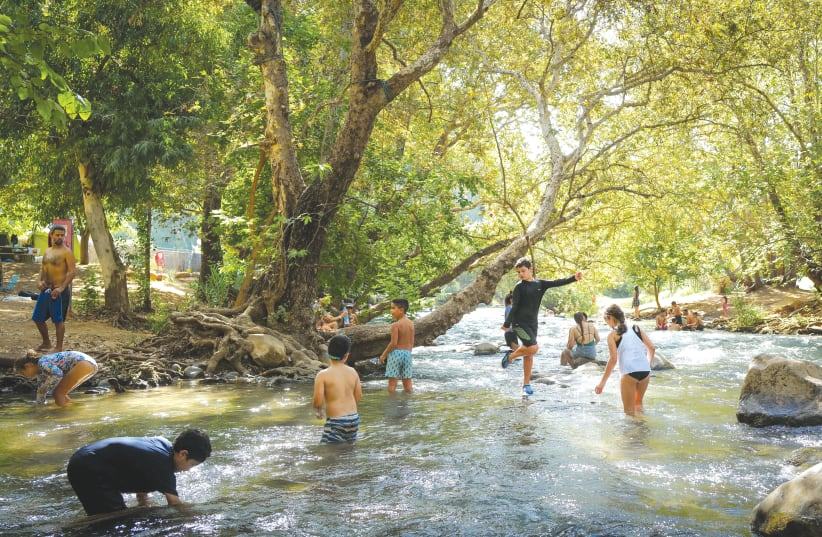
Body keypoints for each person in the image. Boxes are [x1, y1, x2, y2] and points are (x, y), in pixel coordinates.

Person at [67, 429, 212, 516]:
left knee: (115, 513)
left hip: (86, 458)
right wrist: (197, 515)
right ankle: (64, 530)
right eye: (191, 464)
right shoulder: (163, 466)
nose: (188, 470)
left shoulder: (162, 445)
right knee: (113, 518)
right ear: (183, 453)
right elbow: (175, 504)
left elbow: (138, 466)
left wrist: (143, 501)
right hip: (87, 467)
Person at [500, 258, 582, 396]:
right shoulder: (518, 287)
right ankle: (510, 357)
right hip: (519, 324)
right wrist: (507, 324)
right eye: (518, 272)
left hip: (533, 324)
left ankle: (526, 385)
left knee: (529, 353)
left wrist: (573, 278)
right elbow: (514, 307)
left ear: (530, 269)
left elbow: (557, 282)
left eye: (523, 271)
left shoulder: (540, 284)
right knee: (533, 348)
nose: (521, 274)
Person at [595, 304, 656, 416]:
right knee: (638, 405)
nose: (607, 324)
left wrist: (602, 383)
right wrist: (647, 364)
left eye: (606, 321)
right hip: (645, 371)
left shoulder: (612, 335)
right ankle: (644, 431)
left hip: (629, 372)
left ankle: (633, 433)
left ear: (611, 318)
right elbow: (652, 348)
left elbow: (613, 359)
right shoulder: (636, 328)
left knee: (629, 412)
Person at [32, 225, 76, 352]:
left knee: (58, 320)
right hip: (46, 290)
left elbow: (72, 272)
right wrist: (39, 281)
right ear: (51, 235)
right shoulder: (47, 251)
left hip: (59, 291)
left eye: (62, 235)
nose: (60, 237)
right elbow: (43, 268)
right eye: (57, 235)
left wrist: (62, 288)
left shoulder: (67, 252)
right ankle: (46, 343)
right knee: (37, 318)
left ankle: (59, 347)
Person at [313, 334, 362, 444]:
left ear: (328, 353)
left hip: (336, 421)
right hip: (354, 419)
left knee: (328, 450)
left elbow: (318, 400)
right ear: (346, 356)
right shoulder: (353, 372)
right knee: (348, 448)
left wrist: (318, 410)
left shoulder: (323, 375)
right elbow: (358, 396)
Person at [18, 349, 98, 406]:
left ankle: (66, 417)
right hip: (88, 365)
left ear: (27, 366)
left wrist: (46, 386)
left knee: (58, 393)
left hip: (84, 363)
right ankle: (75, 409)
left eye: (22, 373)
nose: (24, 376)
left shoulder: (42, 363)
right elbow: (41, 391)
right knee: (61, 393)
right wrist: (39, 407)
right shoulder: (40, 373)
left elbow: (58, 373)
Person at [380, 298, 415, 394]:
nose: (391, 311)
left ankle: (392, 406)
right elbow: (412, 342)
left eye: (393, 308)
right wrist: (407, 352)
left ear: (401, 310)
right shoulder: (411, 324)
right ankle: (408, 406)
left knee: (392, 385)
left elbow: (393, 343)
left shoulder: (396, 325)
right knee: (408, 385)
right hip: (407, 354)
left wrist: (384, 355)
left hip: (395, 354)